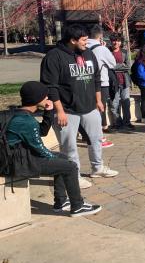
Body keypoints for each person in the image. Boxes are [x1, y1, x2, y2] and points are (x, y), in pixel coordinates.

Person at [40, 24, 118, 189]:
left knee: (96, 139)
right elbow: (50, 87)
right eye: (83, 40)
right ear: (73, 40)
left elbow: (96, 77)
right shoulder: (54, 57)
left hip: (90, 107)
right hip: (67, 110)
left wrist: (98, 100)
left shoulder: (88, 53)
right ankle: (73, 177)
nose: (86, 43)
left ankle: (97, 168)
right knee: (69, 146)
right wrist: (59, 111)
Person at [6, 81, 101, 216]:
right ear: (36, 99)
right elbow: (40, 149)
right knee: (69, 166)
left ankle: (61, 201)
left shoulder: (19, 114)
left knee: (62, 158)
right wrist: (59, 161)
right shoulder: (26, 121)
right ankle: (78, 206)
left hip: (17, 157)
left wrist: (48, 112)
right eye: (45, 96)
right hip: (18, 163)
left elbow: (42, 132)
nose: (47, 98)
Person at [87, 24, 116, 148]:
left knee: (88, 109)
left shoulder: (82, 45)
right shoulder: (102, 49)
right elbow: (113, 64)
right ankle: (99, 138)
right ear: (101, 36)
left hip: (85, 82)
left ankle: (86, 135)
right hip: (101, 83)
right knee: (99, 109)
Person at [108, 33, 134, 130]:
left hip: (124, 81)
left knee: (126, 103)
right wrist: (120, 65)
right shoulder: (107, 51)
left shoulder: (124, 52)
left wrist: (114, 66)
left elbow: (128, 66)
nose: (116, 43)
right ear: (111, 41)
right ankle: (117, 122)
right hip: (113, 81)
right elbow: (108, 66)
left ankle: (127, 122)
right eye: (114, 40)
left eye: (118, 41)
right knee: (114, 103)